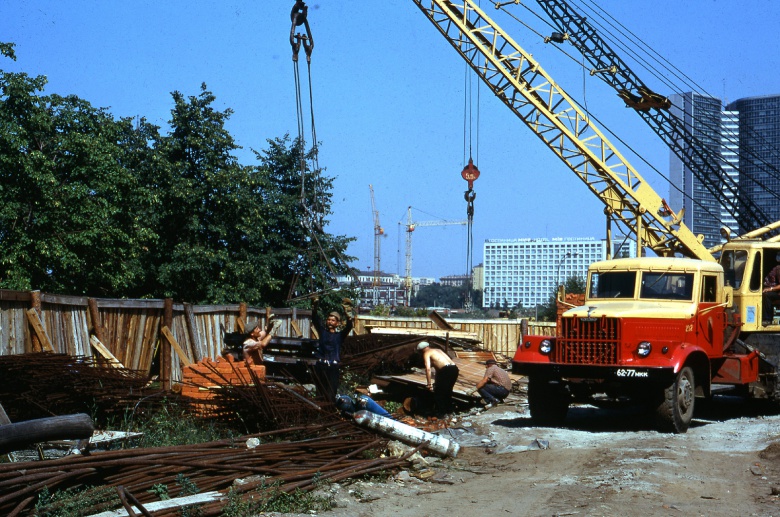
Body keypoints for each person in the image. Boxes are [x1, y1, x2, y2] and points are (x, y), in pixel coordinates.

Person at [311, 298, 354, 403]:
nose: (330, 322)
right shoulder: (323, 332)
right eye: (329, 319)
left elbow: (349, 327)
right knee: (319, 394)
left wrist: (348, 315)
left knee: (331, 394)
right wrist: (315, 307)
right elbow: (315, 319)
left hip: (333, 368)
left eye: (333, 320)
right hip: (321, 366)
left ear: (337, 323)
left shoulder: (339, 336)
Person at [417, 341, 459, 417]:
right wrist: (436, 381)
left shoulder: (426, 353)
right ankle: (449, 411)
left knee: (439, 393)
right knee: (448, 391)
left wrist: (429, 384)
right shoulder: (438, 350)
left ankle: (441, 414)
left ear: (422, 350)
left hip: (445, 370)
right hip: (454, 369)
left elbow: (428, 369)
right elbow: (438, 368)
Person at [763, 252, 780, 325]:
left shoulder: (778, 268)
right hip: (771, 289)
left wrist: (771, 289)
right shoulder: (771, 268)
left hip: (777, 293)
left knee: (767, 295)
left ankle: (768, 319)